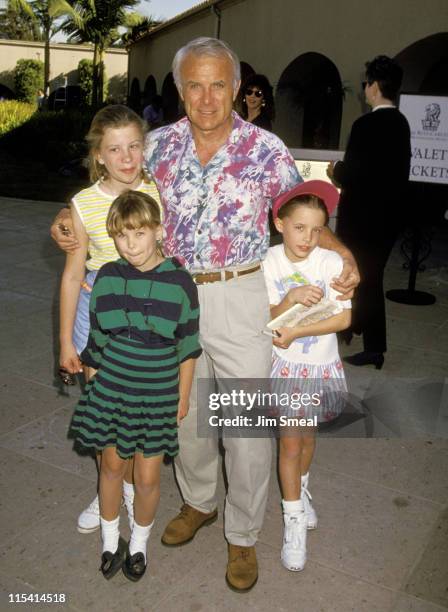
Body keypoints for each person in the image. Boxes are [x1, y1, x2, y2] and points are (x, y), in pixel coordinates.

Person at [51, 37, 360, 592]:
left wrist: (342, 253)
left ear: (237, 88)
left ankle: (242, 535)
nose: (207, 97)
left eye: (219, 84)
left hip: (240, 295)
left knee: (244, 427)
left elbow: (303, 216)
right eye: (194, 84)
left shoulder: (266, 150)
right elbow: (107, 186)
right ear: (179, 88)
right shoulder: (158, 147)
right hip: (169, 295)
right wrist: (66, 217)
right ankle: (198, 503)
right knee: (184, 411)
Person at [69, 190, 201, 581]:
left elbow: (188, 346)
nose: (130, 245)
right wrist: (94, 392)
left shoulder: (179, 282)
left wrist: (182, 397)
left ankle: (139, 543)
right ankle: (111, 541)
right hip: (111, 393)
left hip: (157, 395)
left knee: (146, 478)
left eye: (139, 234)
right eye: (121, 236)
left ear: (158, 231)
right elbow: (96, 344)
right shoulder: (108, 278)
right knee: (110, 467)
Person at [59, 104, 160, 534]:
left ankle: (131, 493)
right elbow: (72, 274)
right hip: (95, 318)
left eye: (134, 146)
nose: (126, 157)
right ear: (98, 154)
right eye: (114, 149)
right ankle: (109, 488)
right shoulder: (83, 204)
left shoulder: (158, 192)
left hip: (148, 318)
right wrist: (65, 341)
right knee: (105, 418)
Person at [263, 180, 351, 572]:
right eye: (300, 227)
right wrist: (290, 299)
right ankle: (293, 518)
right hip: (284, 368)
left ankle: (302, 489)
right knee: (290, 445)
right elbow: (265, 317)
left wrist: (298, 330)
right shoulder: (268, 262)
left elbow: (344, 317)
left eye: (317, 229)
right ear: (280, 223)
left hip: (319, 365)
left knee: (308, 438)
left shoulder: (330, 263)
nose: (309, 238)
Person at [328, 55, 411, 368]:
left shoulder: (365, 125)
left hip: (362, 220)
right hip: (388, 220)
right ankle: (355, 329)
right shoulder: (401, 124)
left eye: (366, 83)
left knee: (361, 279)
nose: (365, 88)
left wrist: (337, 169)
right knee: (370, 278)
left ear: (375, 86)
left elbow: (354, 174)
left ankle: (369, 344)